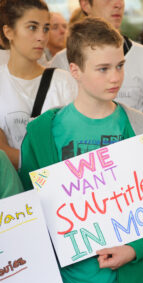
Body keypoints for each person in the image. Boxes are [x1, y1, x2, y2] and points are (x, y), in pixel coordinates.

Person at [19, 17, 143, 283]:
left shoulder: (142, 128)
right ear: (75, 70)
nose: (115, 77)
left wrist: (135, 248)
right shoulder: (41, 132)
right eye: (103, 69)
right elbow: (27, 210)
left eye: (120, 66)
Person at [50, 0, 143, 146]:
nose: (118, 4)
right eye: (103, 68)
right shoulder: (60, 62)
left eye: (120, 66)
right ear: (85, 4)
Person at [0, 0, 77, 169]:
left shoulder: (63, 81)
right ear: (9, 31)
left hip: (58, 187)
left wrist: (12, 154)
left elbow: (73, 144)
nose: (41, 36)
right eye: (32, 27)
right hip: (11, 191)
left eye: (46, 28)